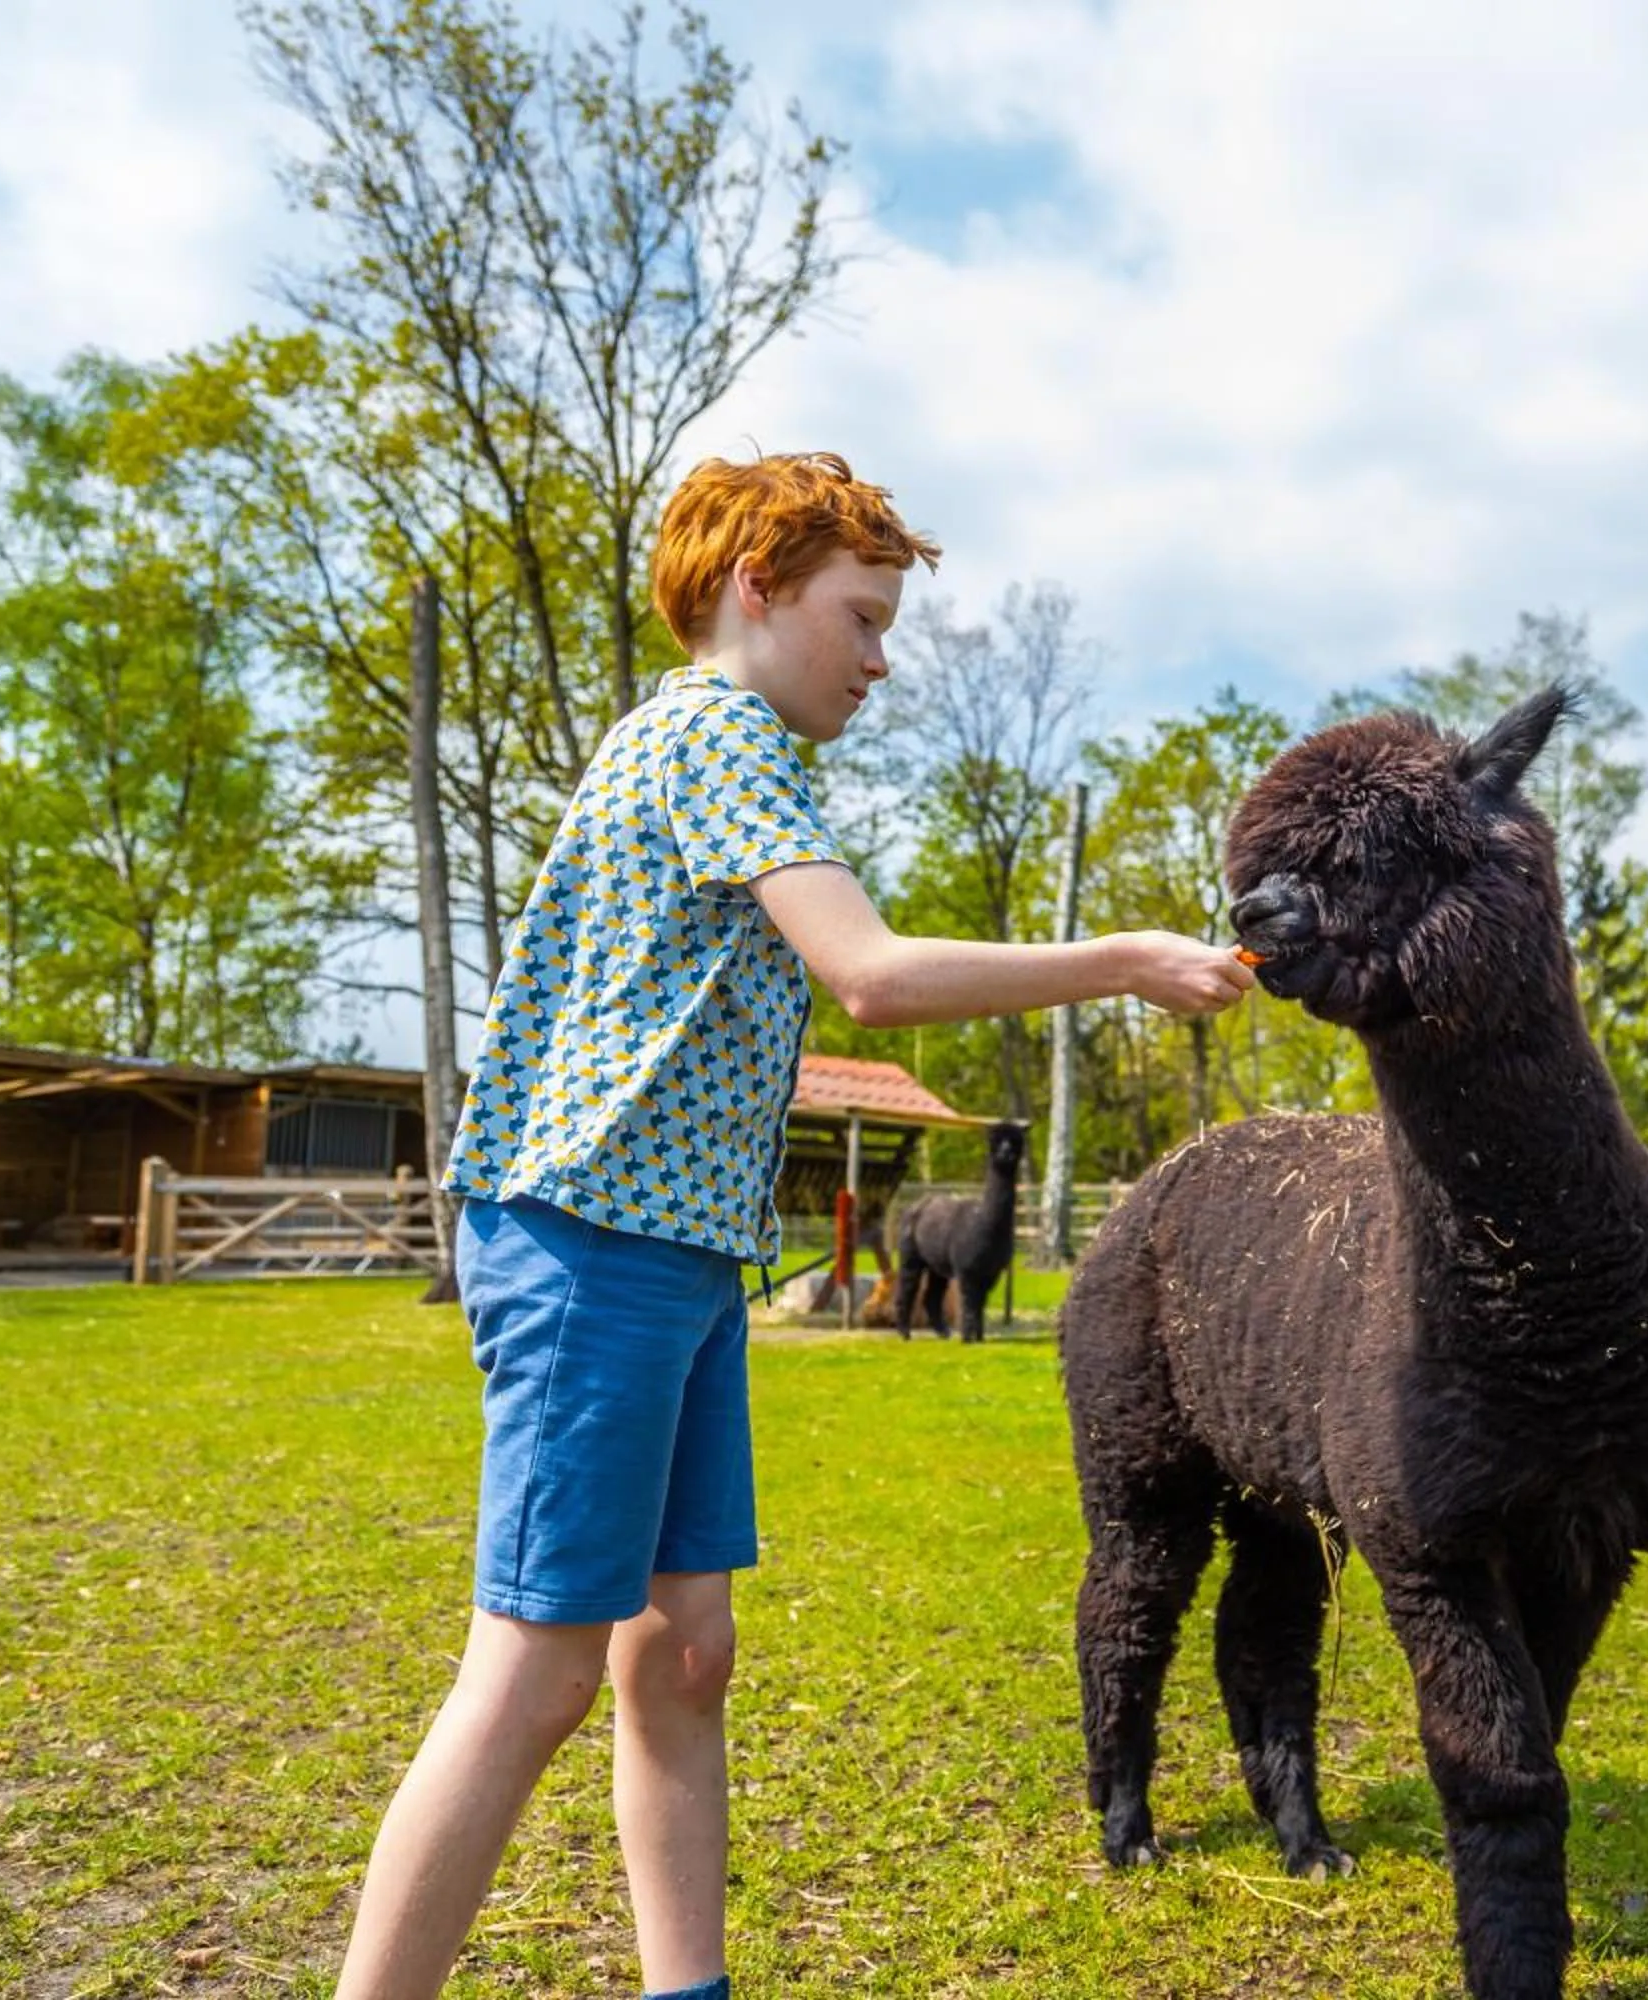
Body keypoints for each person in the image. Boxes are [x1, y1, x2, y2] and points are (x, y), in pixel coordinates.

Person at [334, 452, 1255, 2000]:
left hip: (680, 1252)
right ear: (755, 589)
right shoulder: (718, 729)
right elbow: (872, 975)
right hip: (589, 1240)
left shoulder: (742, 752)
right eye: (865, 616)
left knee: (683, 1652)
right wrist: (1122, 958)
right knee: (539, 1666)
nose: (883, 658)